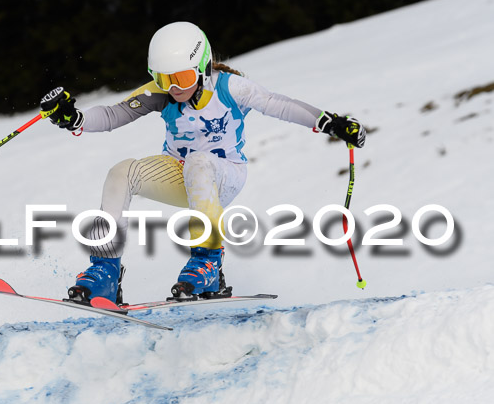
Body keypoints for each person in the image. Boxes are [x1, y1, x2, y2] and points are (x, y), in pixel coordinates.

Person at [39, 21, 365, 305]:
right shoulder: (161, 93)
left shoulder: (230, 88)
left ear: (203, 65)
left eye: (181, 77)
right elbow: (114, 114)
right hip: (180, 173)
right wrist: (76, 119)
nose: (174, 88)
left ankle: (208, 263)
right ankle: (105, 271)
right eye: (164, 79)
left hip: (225, 175)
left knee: (198, 162)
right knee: (121, 172)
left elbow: (278, 104)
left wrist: (329, 123)